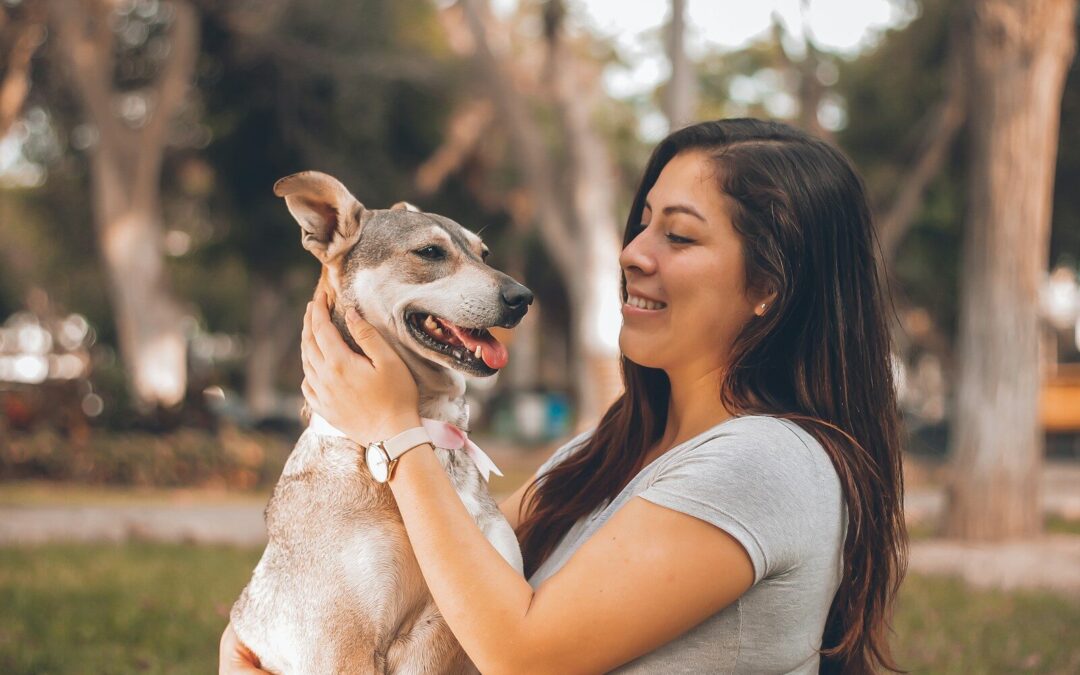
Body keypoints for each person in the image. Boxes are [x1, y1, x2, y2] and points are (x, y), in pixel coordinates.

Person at [220, 118, 907, 674]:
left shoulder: (765, 462)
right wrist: (259, 641)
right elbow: (434, 561)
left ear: (768, 289)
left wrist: (396, 427)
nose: (634, 251)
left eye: (679, 234)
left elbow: (523, 656)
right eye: (641, 223)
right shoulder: (607, 449)